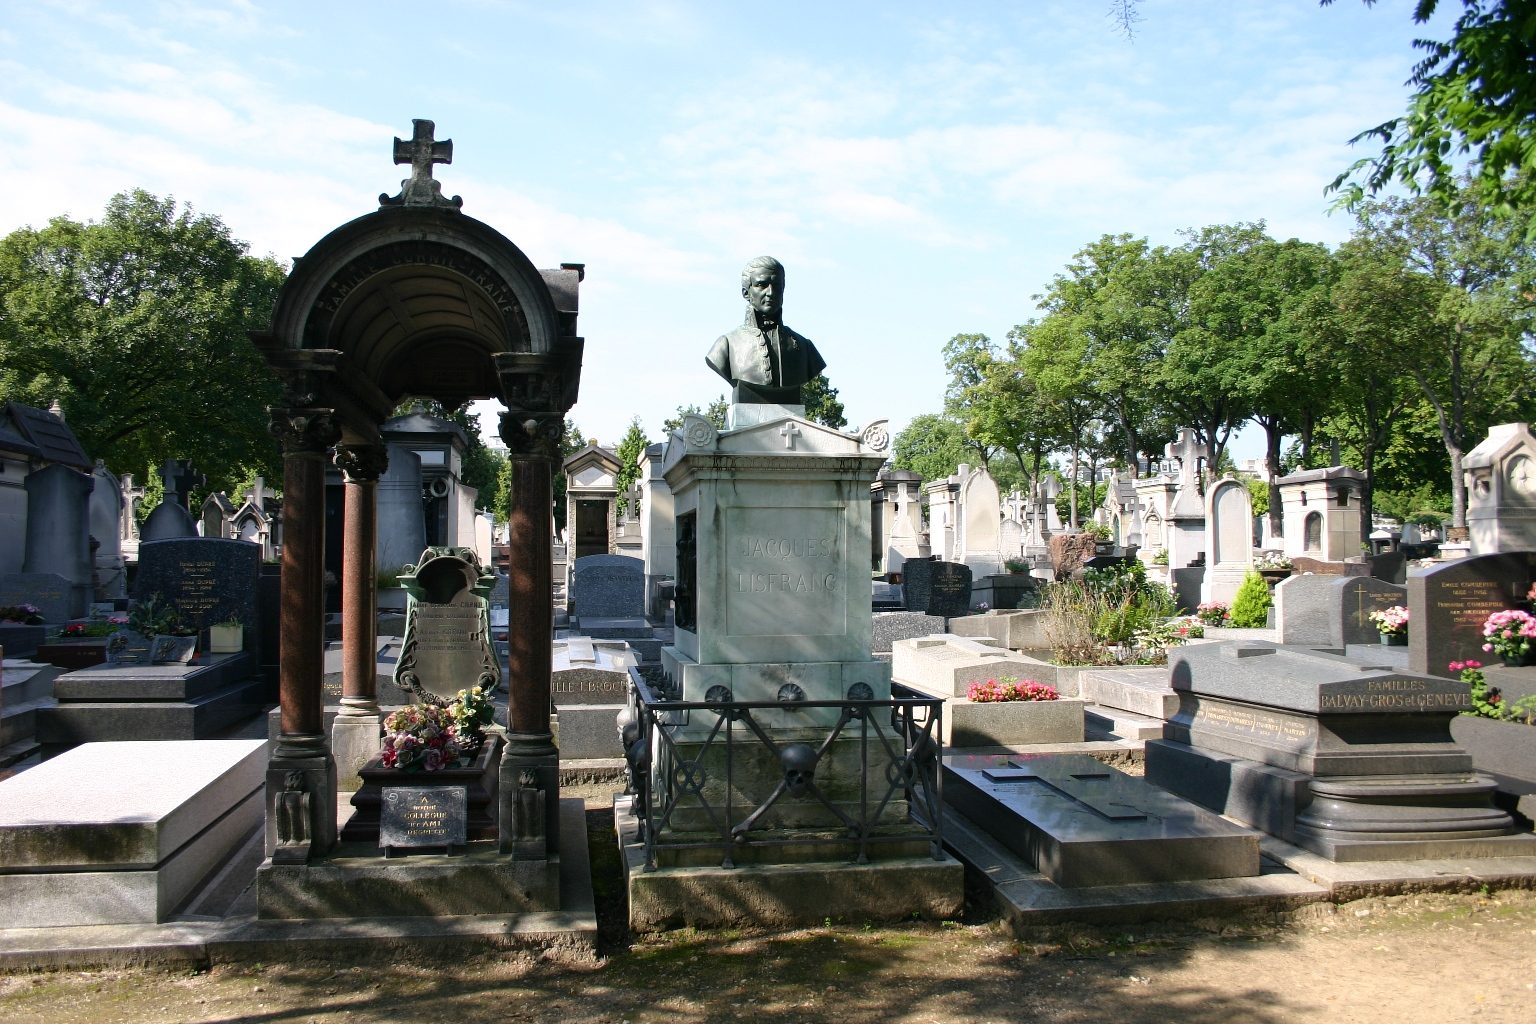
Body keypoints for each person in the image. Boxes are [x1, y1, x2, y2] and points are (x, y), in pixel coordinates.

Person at [705, 256, 826, 404]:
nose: (770, 292)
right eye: (762, 285)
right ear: (746, 293)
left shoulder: (805, 347)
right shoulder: (726, 345)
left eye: (777, 285)